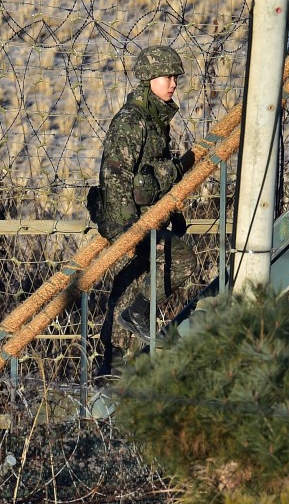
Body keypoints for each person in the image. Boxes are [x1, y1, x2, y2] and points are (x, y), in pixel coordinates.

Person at [93, 45, 199, 376]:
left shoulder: (154, 120)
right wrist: (127, 232)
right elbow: (117, 176)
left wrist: (169, 212)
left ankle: (114, 362)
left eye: (175, 78)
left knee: (130, 280)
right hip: (128, 220)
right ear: (148, 79)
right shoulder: (133, 121)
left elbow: (153, 173)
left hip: (142, 218)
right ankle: (137, 316)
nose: (173, 84)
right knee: (180, 260)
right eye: (167, 77)